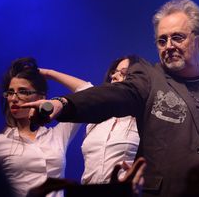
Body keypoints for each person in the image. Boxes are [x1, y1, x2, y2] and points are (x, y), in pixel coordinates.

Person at [24, 0, 199, 197]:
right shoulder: (149, 77)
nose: (169, 46)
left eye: (177, 38)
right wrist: (63, 105)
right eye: (162, 40)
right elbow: (112, 96)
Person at [0, 57, 85, 197]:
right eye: (10, 92)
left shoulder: (57, 135)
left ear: (41, 97)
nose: (14, 98)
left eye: (23, 91)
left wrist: (49, 73)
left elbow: (86, 90)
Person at [40, 56, 140, 184]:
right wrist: (47, 73)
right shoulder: (98, 117)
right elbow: (86, 92)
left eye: (123, 73)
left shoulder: (142, 119)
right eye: (113, 72)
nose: (114, 76)